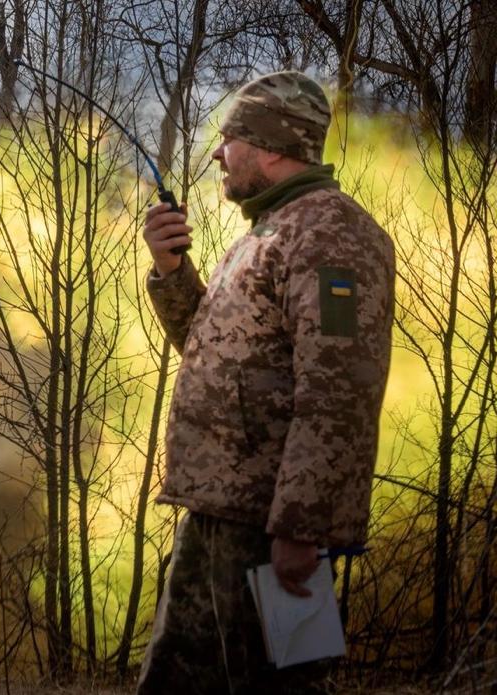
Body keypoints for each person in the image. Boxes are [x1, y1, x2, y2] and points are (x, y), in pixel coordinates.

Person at [135, 71, 395, 694]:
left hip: (271, 529)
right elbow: (215, 352)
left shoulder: (331, 236)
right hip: (220, 516)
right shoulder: (265, 233)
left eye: (231, 139)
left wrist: (302, 527)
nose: (219, 154)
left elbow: (339, 394)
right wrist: (171, 269)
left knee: (284, 687)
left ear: (273, 147)